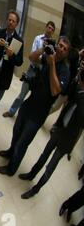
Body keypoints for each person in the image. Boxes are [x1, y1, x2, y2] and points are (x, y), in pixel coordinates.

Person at [0, 36, 71, 177]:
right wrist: (44, 48)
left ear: (67, 53)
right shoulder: (49, 56)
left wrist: (52, 65)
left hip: (39, 113)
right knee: (16, 130)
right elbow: (31, 57)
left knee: (23, 142)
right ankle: (10, 152)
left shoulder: (65, 71)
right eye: (60, 45)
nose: (60, 49)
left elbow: (56, 90)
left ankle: (11, 169)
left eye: (64, 48)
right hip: (29, 103)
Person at [18, 56, 84, 199]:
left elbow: (80, 118)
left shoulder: (81, 95)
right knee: (43, 156)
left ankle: (36, 189)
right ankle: (31, 174)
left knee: (50, 167)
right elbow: (65, 98)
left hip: (66, 140)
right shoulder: (77, 88)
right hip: (59, 131)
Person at [2, 21, 56, 117]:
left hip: (42, 74)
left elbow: (50, 61)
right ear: (46, 27)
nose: (50, 30)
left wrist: (40, 58)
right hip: (32, 69)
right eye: (49, 27)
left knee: (35, 97)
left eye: (52, 29)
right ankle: (11, 111)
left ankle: (26, 116)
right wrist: (41, 58)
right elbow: (32, 56)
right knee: (22, 94)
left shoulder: (52, 45)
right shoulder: (38, 38)